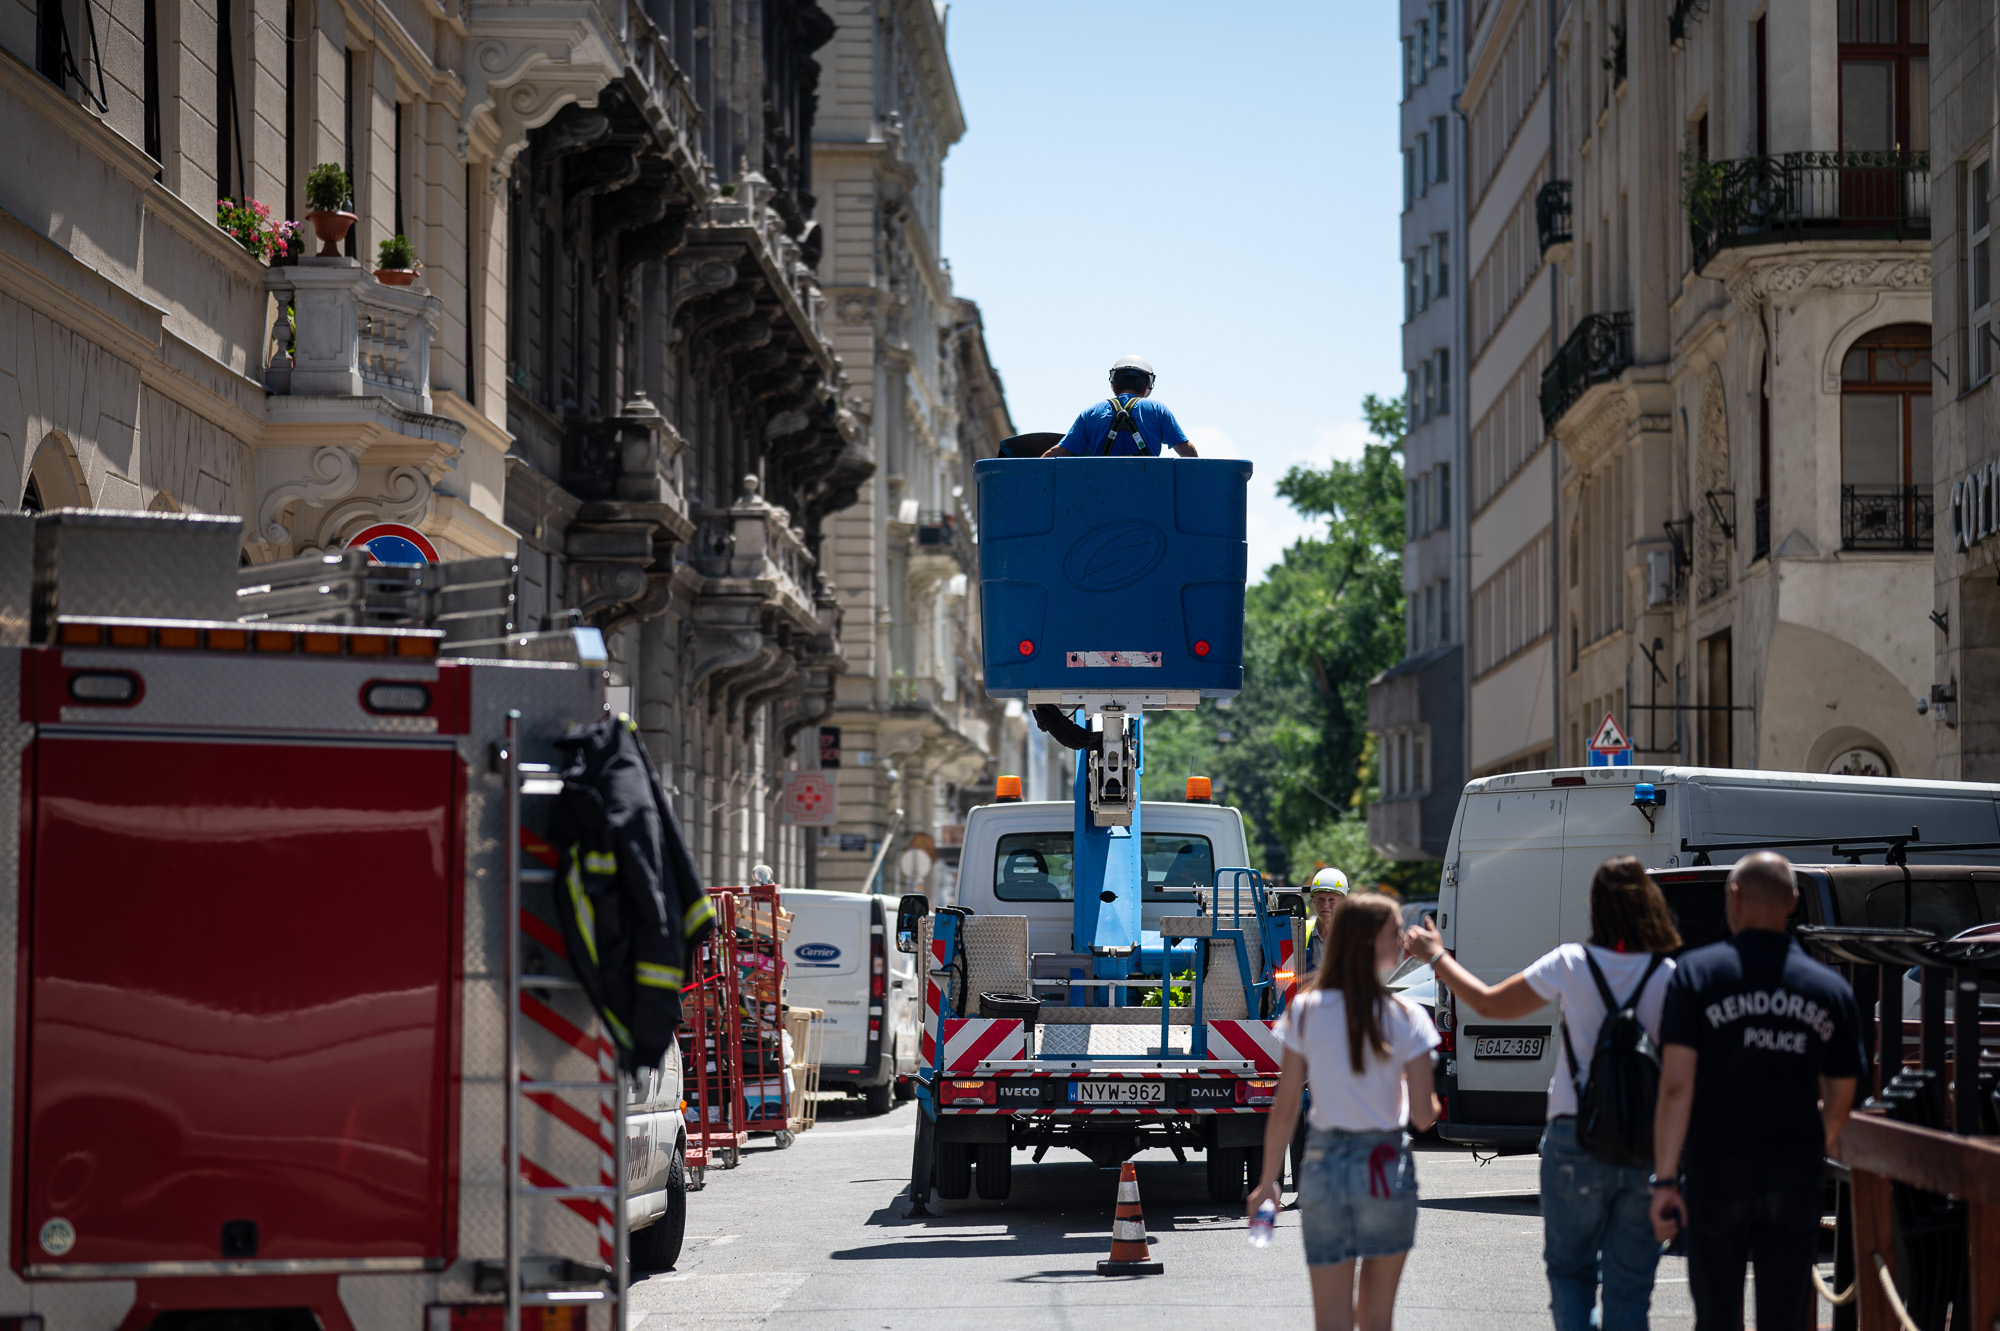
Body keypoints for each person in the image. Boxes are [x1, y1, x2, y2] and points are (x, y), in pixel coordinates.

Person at [1404, 856, 1682, 1331]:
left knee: (1571, 1275)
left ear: (1595, 909)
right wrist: (1672, 1175)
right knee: (1630, 1287)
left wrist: (1437, 957)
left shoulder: (1571, 964)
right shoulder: (1670, 977)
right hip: (1643, 1147)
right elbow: (1676, 1086)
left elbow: (1490, 1003)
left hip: (1574, 1139)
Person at [1648, 851, 1863, 1331]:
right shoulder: (1829, 989)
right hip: (1793, 1172)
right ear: (1792, 901)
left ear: (1735, 897)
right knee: (1785, 1318)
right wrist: (1814, 1141)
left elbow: (1676, 1085)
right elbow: (1844, 1090)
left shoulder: (1696, 975)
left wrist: (1665, 1179)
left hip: (1716, 1172)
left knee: (1717, 1316)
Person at [1251, 893, 1439, 1331]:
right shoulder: (1408, 1016)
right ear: (1378, 943)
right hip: (1385, 1166)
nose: (1403, 941)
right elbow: (1424, 1117)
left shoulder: (1307, 1009)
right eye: (1397, 933)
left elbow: (1285, 1107)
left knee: (1331, 1321)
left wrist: (1266, 1183)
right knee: (1377, 1320)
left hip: (1324, 1165)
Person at [1041, 356, 1200, 458]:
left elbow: (1058, 452)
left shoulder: (1091, 413)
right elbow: (1187, 453)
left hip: (1101, 494)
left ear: (1114, 386)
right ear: (1146, 387)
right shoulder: (1158, 410)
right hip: (1148, 493)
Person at [1302, 867, 1351, 976]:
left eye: (1331, 900)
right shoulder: (1301, 932)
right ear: (1313, 901)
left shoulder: (1354, 935)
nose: (1325, 905)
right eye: (1321, 899)